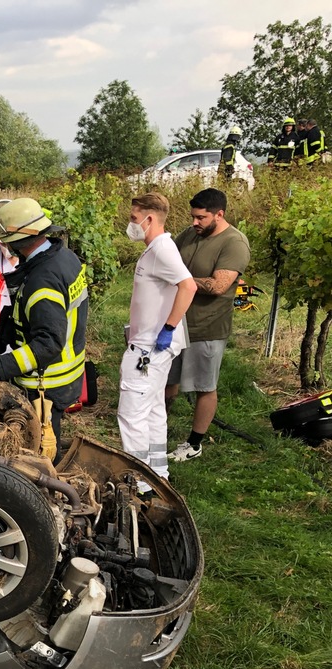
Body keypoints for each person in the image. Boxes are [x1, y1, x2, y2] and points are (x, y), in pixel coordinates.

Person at [0, 198, 88, 458]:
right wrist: (2, 337)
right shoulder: (63, 256)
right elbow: (32, 312)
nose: (3, 244)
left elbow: (48, 343)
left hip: (48, 381)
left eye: (6, 238)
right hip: (69, 371)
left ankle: (48, 491)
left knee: (40, 452)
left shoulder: (43, 281)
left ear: (19, 239)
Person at [165, 188, 251, 461]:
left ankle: (194, 443)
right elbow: (167, 258)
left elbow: (218, 285)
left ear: (219, 214)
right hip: (176, 322)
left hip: (207, 327)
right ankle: (157, 427)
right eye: (193, 216)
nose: (194, 222)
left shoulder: (234, 243)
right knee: (167, 379)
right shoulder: (191, 234)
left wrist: (181, 280)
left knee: (204, 386)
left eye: (201, 217)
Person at [118, 193, 196, 482]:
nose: (131, 223)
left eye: (134, 218)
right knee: (152, 410)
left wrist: (169, 327)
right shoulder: (156, 249)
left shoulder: (162, 249)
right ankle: (158, 473)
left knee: (132, 415)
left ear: (150, 219)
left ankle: (139, 482)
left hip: (148, 350)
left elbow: (188, 287)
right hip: (151, 347)